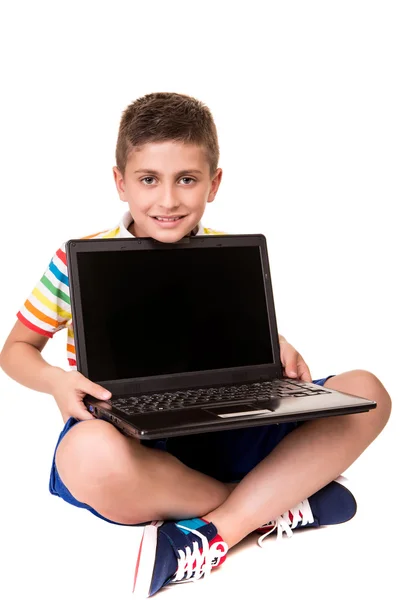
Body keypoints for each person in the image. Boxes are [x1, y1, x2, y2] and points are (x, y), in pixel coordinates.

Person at [0, 92, 392, 598]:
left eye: (187, 179)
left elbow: (231, 336)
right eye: (148, 179)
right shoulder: (74, 262)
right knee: (86, 456)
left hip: (233, 424)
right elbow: (15, 350)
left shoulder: (227, 255)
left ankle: (217, 531)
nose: (168, 200)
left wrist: (278, 344)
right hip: (137, 443)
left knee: (368, 391)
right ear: (120, 182)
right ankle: (277, 502)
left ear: (214, 183)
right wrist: (55, 380)